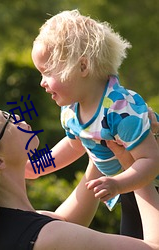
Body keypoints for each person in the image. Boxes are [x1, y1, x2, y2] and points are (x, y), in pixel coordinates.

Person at [0, 98, 159, 250]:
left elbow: (65, 221)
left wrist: (98, 139)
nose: (18, 117)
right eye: (7, 120)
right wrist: (135, 165)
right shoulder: (47, 238)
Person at [28, 9, 159, 239]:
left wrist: (118, 184)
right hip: (129, 190)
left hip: (148, 186)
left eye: (47, 72)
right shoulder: (71, 110)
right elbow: (73, 145)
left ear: (82, 67)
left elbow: (151, 160)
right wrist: (37, 167)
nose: (42, 82)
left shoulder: (119, 109)